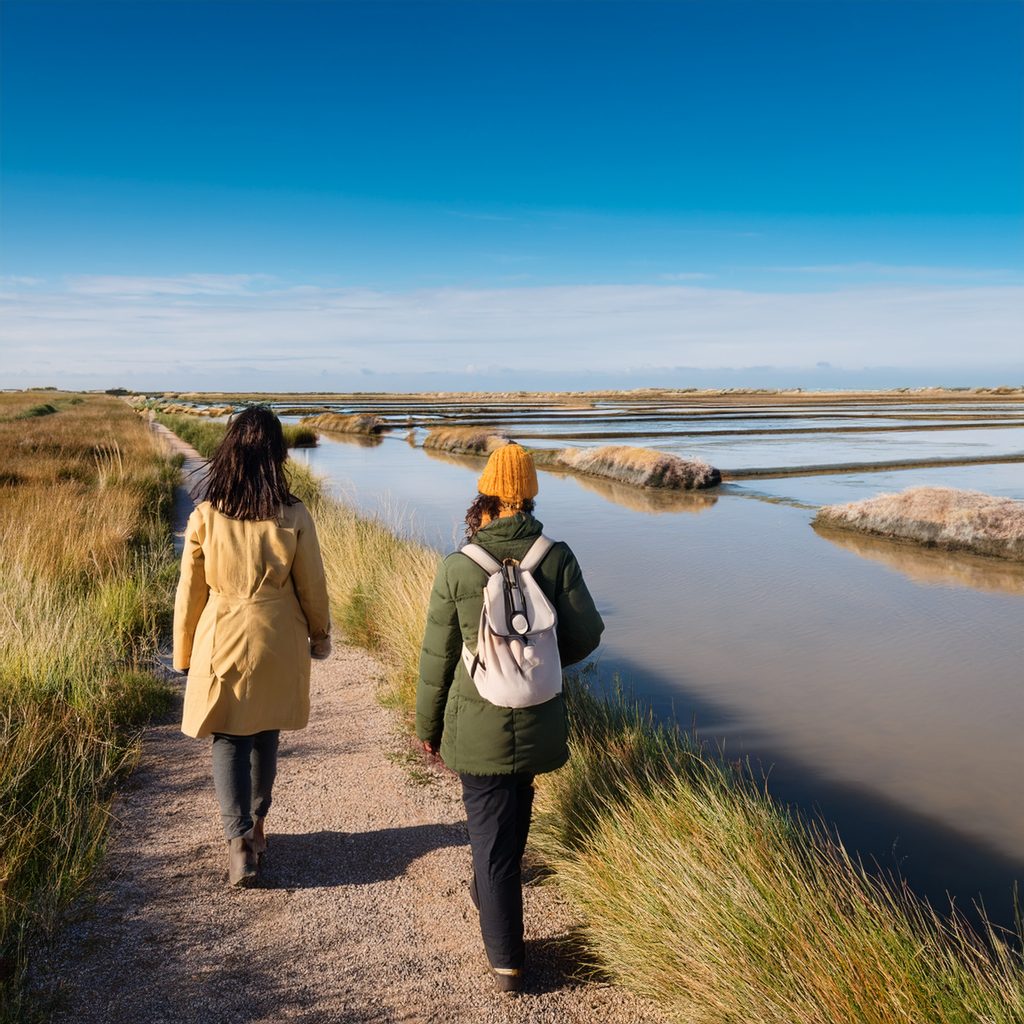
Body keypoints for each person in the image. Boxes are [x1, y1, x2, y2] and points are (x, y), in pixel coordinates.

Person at [415, 442, 604, 992]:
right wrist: (538, 665)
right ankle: (490, 896)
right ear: (531, 493)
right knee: (514, 809)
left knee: (492, 843)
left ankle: (508, 964)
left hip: (478, 725)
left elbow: (437, 659)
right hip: (539, 717)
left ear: (487, 493)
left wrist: (428, 727)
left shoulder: (459, 566)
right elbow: (588, 633)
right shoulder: (555, 556)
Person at [173, 406, 331, 887]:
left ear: (230, 453)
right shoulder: (293, 513)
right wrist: (320, 635)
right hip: (277, 636)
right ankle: (259, 826)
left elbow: (190, 592)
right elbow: (312, 585)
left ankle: (238, 843)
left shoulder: (206, 515)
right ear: (276, 454)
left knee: (228, 737)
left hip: (221, 634)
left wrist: (183, 653)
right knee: (265, 732)